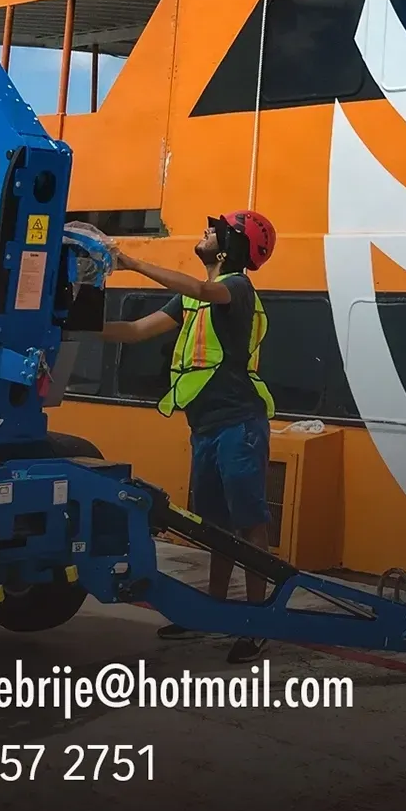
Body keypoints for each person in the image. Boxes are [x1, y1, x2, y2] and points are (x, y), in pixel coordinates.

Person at [101, 210, 279, 663]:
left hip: (241, 425)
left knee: (249, 525)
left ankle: (258, 623)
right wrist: (70, 327)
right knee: (215, 526)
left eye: (212, 231)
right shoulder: (193, 302)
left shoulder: (235, 288)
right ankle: (211, 612)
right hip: (206, 428)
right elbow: (137, 330)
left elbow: (201, 288)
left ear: (229, 247)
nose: (203, 233)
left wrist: (133, 263)